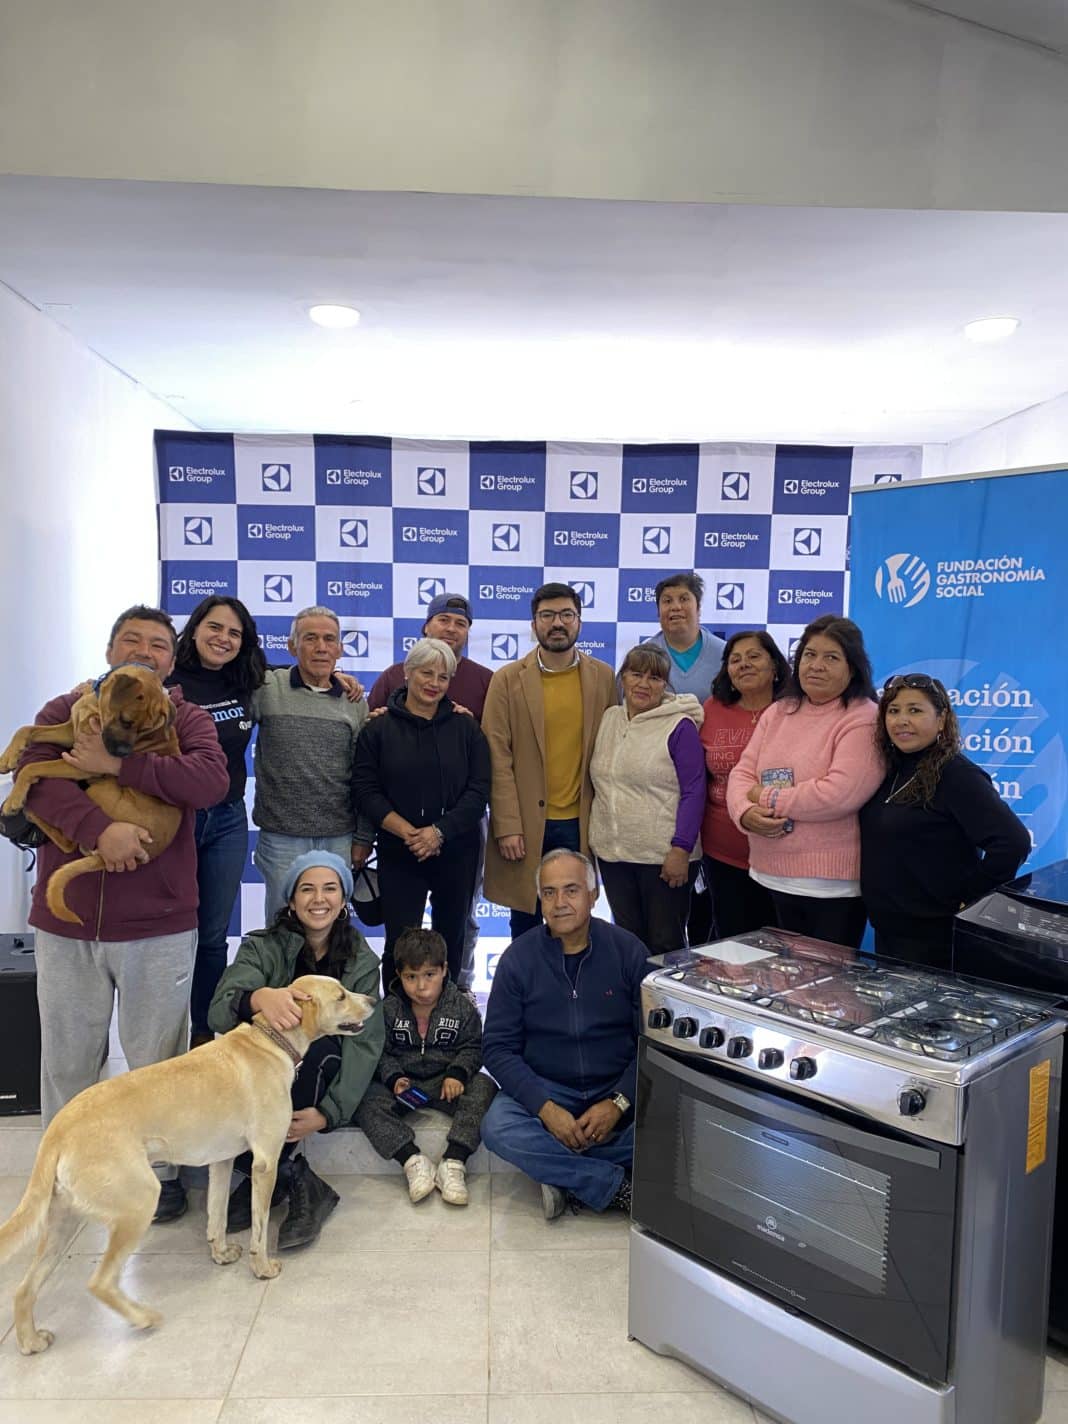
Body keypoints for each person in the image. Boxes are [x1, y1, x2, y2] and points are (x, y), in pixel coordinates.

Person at [18, 603, 230, 1223]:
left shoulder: (186, 717)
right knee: (68, 1055)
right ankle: (66, 1168)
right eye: (132, 640)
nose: (145, 650)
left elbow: (209, 782)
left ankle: (157, 1175)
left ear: (172, 660)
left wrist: (116, 766)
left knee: (157, 1058)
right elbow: (36, 773)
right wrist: (99, 832)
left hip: (159, 921)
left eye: (159, 644)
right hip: (67, 919)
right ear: (110, 651)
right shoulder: (69, 708)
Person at [207, 851, 385, 1249]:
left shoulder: (361, 958)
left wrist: (329, 1112)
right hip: (252, 1076)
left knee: (308, 1054)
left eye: (329, 888)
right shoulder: (261, 947)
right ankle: (294, 1177)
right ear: (290, 899)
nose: (318, 899)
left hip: (319, 1072)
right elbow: (218, 1012)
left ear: (343, 900)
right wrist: (259, 998)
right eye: (307, 888)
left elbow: (367, 1043)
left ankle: (272, 1175)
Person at [481, 849, 654, 1220]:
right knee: (498, 1127)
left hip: (616, 1089)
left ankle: (562, 1174)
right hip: (549, 1087)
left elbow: (651, 1041)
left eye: (572, 890)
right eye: (549, 892)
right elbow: (497, 1048)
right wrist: (546, 1109)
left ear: (594, 895)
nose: (560, 903)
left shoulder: (630, 952)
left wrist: (619, 1103)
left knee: (675, 1129)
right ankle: (612, 1186)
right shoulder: (518, 959)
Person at [726, 615, 883, 948]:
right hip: (768, 874)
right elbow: (741, 773)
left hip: (829, 887)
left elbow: (838, 794)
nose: (817, 666)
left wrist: (764, 798)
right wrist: (744, 813)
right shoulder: (779, 711)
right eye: (809, 655)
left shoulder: (863, 717)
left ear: (852, 668)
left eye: (831, 657)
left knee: (825, 994)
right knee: (776, 986)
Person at [367, 592, 493, 993]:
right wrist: (408, 832)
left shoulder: (466, 726)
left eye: (443, 677)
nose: (434, 683)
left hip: (455, 847)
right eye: (426, 673)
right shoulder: (379, 726)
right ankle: (396, 1016)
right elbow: (365, 788)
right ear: (408, 673)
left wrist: (439, 832)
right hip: (397, 848)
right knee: (399, 939)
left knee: (453, 933)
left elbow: (479, 790)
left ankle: (450, 1012)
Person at [860, 674, 1030, 970]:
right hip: (889, 929)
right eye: (893, 710)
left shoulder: (956, 775)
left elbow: (1012, 843)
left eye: (915, 710)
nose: (901, 720)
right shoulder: (891, 769)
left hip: (933, 938)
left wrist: (968, 897)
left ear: (941, 720)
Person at [482, 583, 616, 939]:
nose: (558, 623)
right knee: (525, 921)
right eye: (547, 615)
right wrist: (507, 825)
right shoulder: (507, 679)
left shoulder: (603, 677)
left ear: (579, 622)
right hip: (525, 826)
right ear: (534, 623)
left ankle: (573, 991)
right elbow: (497, 756)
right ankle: (527, 992)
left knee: (575, 918)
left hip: (582, 823)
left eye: (566, 615)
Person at [169, 596, 266, 1048]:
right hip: (176, 818)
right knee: (170, 930)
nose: (223, 638)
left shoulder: (246, 680)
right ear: (194, 628)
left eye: (234, 633)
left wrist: (341, 679)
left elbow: (300, 677)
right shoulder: (168, 680)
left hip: (228, 819)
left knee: (212, 934)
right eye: (215, 627)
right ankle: (163, 1034)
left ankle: (203, 1034)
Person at [353, 927, 497, 1206]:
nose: (421, 987)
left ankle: (453, 1162)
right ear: (399, 976)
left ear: (444, 970)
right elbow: (379, 1051)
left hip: (446, 1083)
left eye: (429, 975)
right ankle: (412, 1161)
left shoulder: (462, 1007)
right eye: (411, 977)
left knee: (485, 1087)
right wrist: (393, 1077)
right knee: (364, 1099)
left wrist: (457, 1073)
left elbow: (473, 1047)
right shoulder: (389, 1009)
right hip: (405, 1085)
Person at [251, 605, 371, 921]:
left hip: (339, 836)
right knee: (281, 928)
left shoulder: (355, 700)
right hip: (281, 837)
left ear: (340, 648)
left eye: (329, 639)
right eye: (310, 638)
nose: (321, 647)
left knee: (331, 927)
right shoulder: (266, 688)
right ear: (292, 646)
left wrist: (363, 837)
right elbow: (230, 672)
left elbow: (365, 775)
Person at [588, 644, 705, 954]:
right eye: (636, 674)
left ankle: (666, 1004)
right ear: (622, 678)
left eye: (654, 678)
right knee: (628, 944)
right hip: (615, 856)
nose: (643, 684)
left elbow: (694, 791)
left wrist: (681, 848)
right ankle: (634, 1004)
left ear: (665, 685)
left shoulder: (680, 726)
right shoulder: (609, 718)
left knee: (665, 945)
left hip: (663, 858)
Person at [701, 631, 790, 938]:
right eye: (735, 660)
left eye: (754, 656)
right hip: (722, 852)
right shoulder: (712, 708)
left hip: (785, 854)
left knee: (783, 949)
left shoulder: (796, 710)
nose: (744, 665)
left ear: (775, 665)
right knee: (733, 945)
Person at [644, 572, 726, 701]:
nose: (675, 607)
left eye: (683, 599)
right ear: (658, 612)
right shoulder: (641, 657)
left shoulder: (726, 655)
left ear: (698, 609)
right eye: (667, 601)